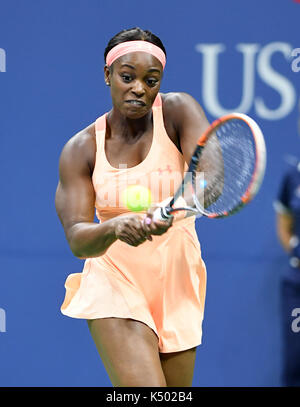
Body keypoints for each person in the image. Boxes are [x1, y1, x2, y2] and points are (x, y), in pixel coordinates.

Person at [55, 27, 209, 387]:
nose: (139, 88)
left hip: (178, 277)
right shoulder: (80, 149)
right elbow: (78, 239)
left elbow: (210, 177)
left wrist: (172, 208)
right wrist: (114, 227)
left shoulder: (178, 111)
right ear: (107, 75)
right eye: (127, 77)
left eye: (151, 80)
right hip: (114, 279)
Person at [274, 101, 300, 386]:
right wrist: (294, 249)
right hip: (297, 283)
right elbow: (283, 221)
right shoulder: (293, 177)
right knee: (295, 364)